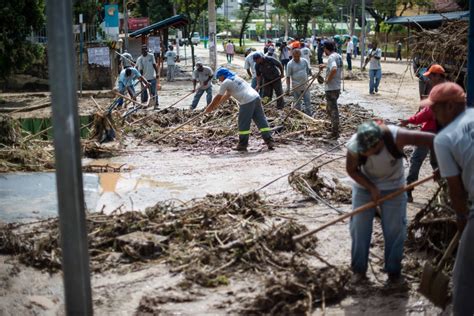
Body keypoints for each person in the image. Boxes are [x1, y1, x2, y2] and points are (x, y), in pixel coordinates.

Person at [346, 120, 435, 286]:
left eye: (368, 150)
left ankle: (394, 272)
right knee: (359, 226)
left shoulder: (397, 137)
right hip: (364, 185)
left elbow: (432, 139)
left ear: (379, 143)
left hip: (394, 185)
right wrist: (371, 187)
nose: (363, 153)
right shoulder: (355, 144)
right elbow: (351, 170)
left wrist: (441, 165)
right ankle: (358, 270)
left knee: (395, 229)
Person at [425, 82, 474, 316]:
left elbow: (456, 191)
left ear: (451, 106)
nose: (433, 115)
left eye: (435, 110)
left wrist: (462, 218)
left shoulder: (443, 139)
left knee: (463, 277)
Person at [205, 68, 275, 152]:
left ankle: (242, 145)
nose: (219, 80)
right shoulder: (236, 77)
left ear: (222, 76)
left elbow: (218, 96)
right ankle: (270, 141)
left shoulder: (226, 82)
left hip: (247, 100)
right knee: (261, 120)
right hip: (256, 97)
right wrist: (216, 105)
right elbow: (227, 95)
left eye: (219, 78)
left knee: (243, 123)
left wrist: (209, 107)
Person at [399, 106, 438, 202]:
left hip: (427, 134)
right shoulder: (456, 105)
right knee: (437, 164)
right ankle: (446, 190)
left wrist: (407, 121)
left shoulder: (436, 103)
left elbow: (421, 117)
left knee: (416, 160)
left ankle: (408, 190)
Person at [319, 40, 343, 138]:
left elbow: (334, 69)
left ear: (326, 48)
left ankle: (335, 133)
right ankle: (335, 127)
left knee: (333, 110)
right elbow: (335, 66)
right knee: (329, 109)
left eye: (324, 48)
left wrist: (327, 80)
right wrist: (325, 66)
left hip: (331, 88)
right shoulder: (338, 56)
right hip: (336, 86)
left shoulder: (331, 57)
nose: (323, 50)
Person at [286, 49, 312, 116]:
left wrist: (311, 75)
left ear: (300, 55)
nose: (297, 58)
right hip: (296, 86)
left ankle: (309, 115)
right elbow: (288, 77)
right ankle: (298, 115)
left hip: (305, 85)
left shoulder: (304, 61)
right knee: (297, 102)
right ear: (292, 56)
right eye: (295, 57)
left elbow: (308, 71)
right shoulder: (290, 64)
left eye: (298, 56)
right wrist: (288, 88)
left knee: (308, 102)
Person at [136, 45, 159, 109]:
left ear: (147, 50)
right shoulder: (140, 58)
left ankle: (155, 104)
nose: (144, 51)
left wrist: (157, 73)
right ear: (141, 51)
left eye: (145, 49)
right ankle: (144, 104)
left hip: (152, 77)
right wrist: (141, 78)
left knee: (153, 91)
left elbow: (154, 65)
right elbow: (140, 70)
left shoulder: (151, 56)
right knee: (144, 92)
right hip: (144, 79)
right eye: (143, 50)